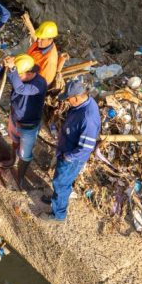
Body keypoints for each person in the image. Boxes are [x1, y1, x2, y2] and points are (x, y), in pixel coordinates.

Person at [41, 79, 100, 222]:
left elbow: (86, 148)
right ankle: (56, 199)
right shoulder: (82, 103)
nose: (67, 101)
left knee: (62, 183)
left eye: (68, 99)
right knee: (59, 180)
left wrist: (68, 156)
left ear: (77, 97)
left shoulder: (88, 118)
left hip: (72, 158)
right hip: (66, 148)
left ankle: (58, 214)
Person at [0, 54, 47, 190]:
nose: (17, 76)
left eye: (20, 74)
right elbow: (3, 76)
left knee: (25, 155)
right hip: (15, 118)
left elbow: (20, 88)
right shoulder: (21, 76)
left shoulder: (39, 84)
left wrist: (14, 70)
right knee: (14, 141)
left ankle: (20, 177)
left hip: (28, 126)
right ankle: (12, 160)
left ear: (31, 72)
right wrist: (3, 65)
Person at [26, 20, 59, 86]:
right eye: (38, 37)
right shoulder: (41, 44)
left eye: (42, 39)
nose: (38, 40)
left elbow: (43, 83)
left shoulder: (49, 61)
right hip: (28, 67)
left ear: (50, 39)